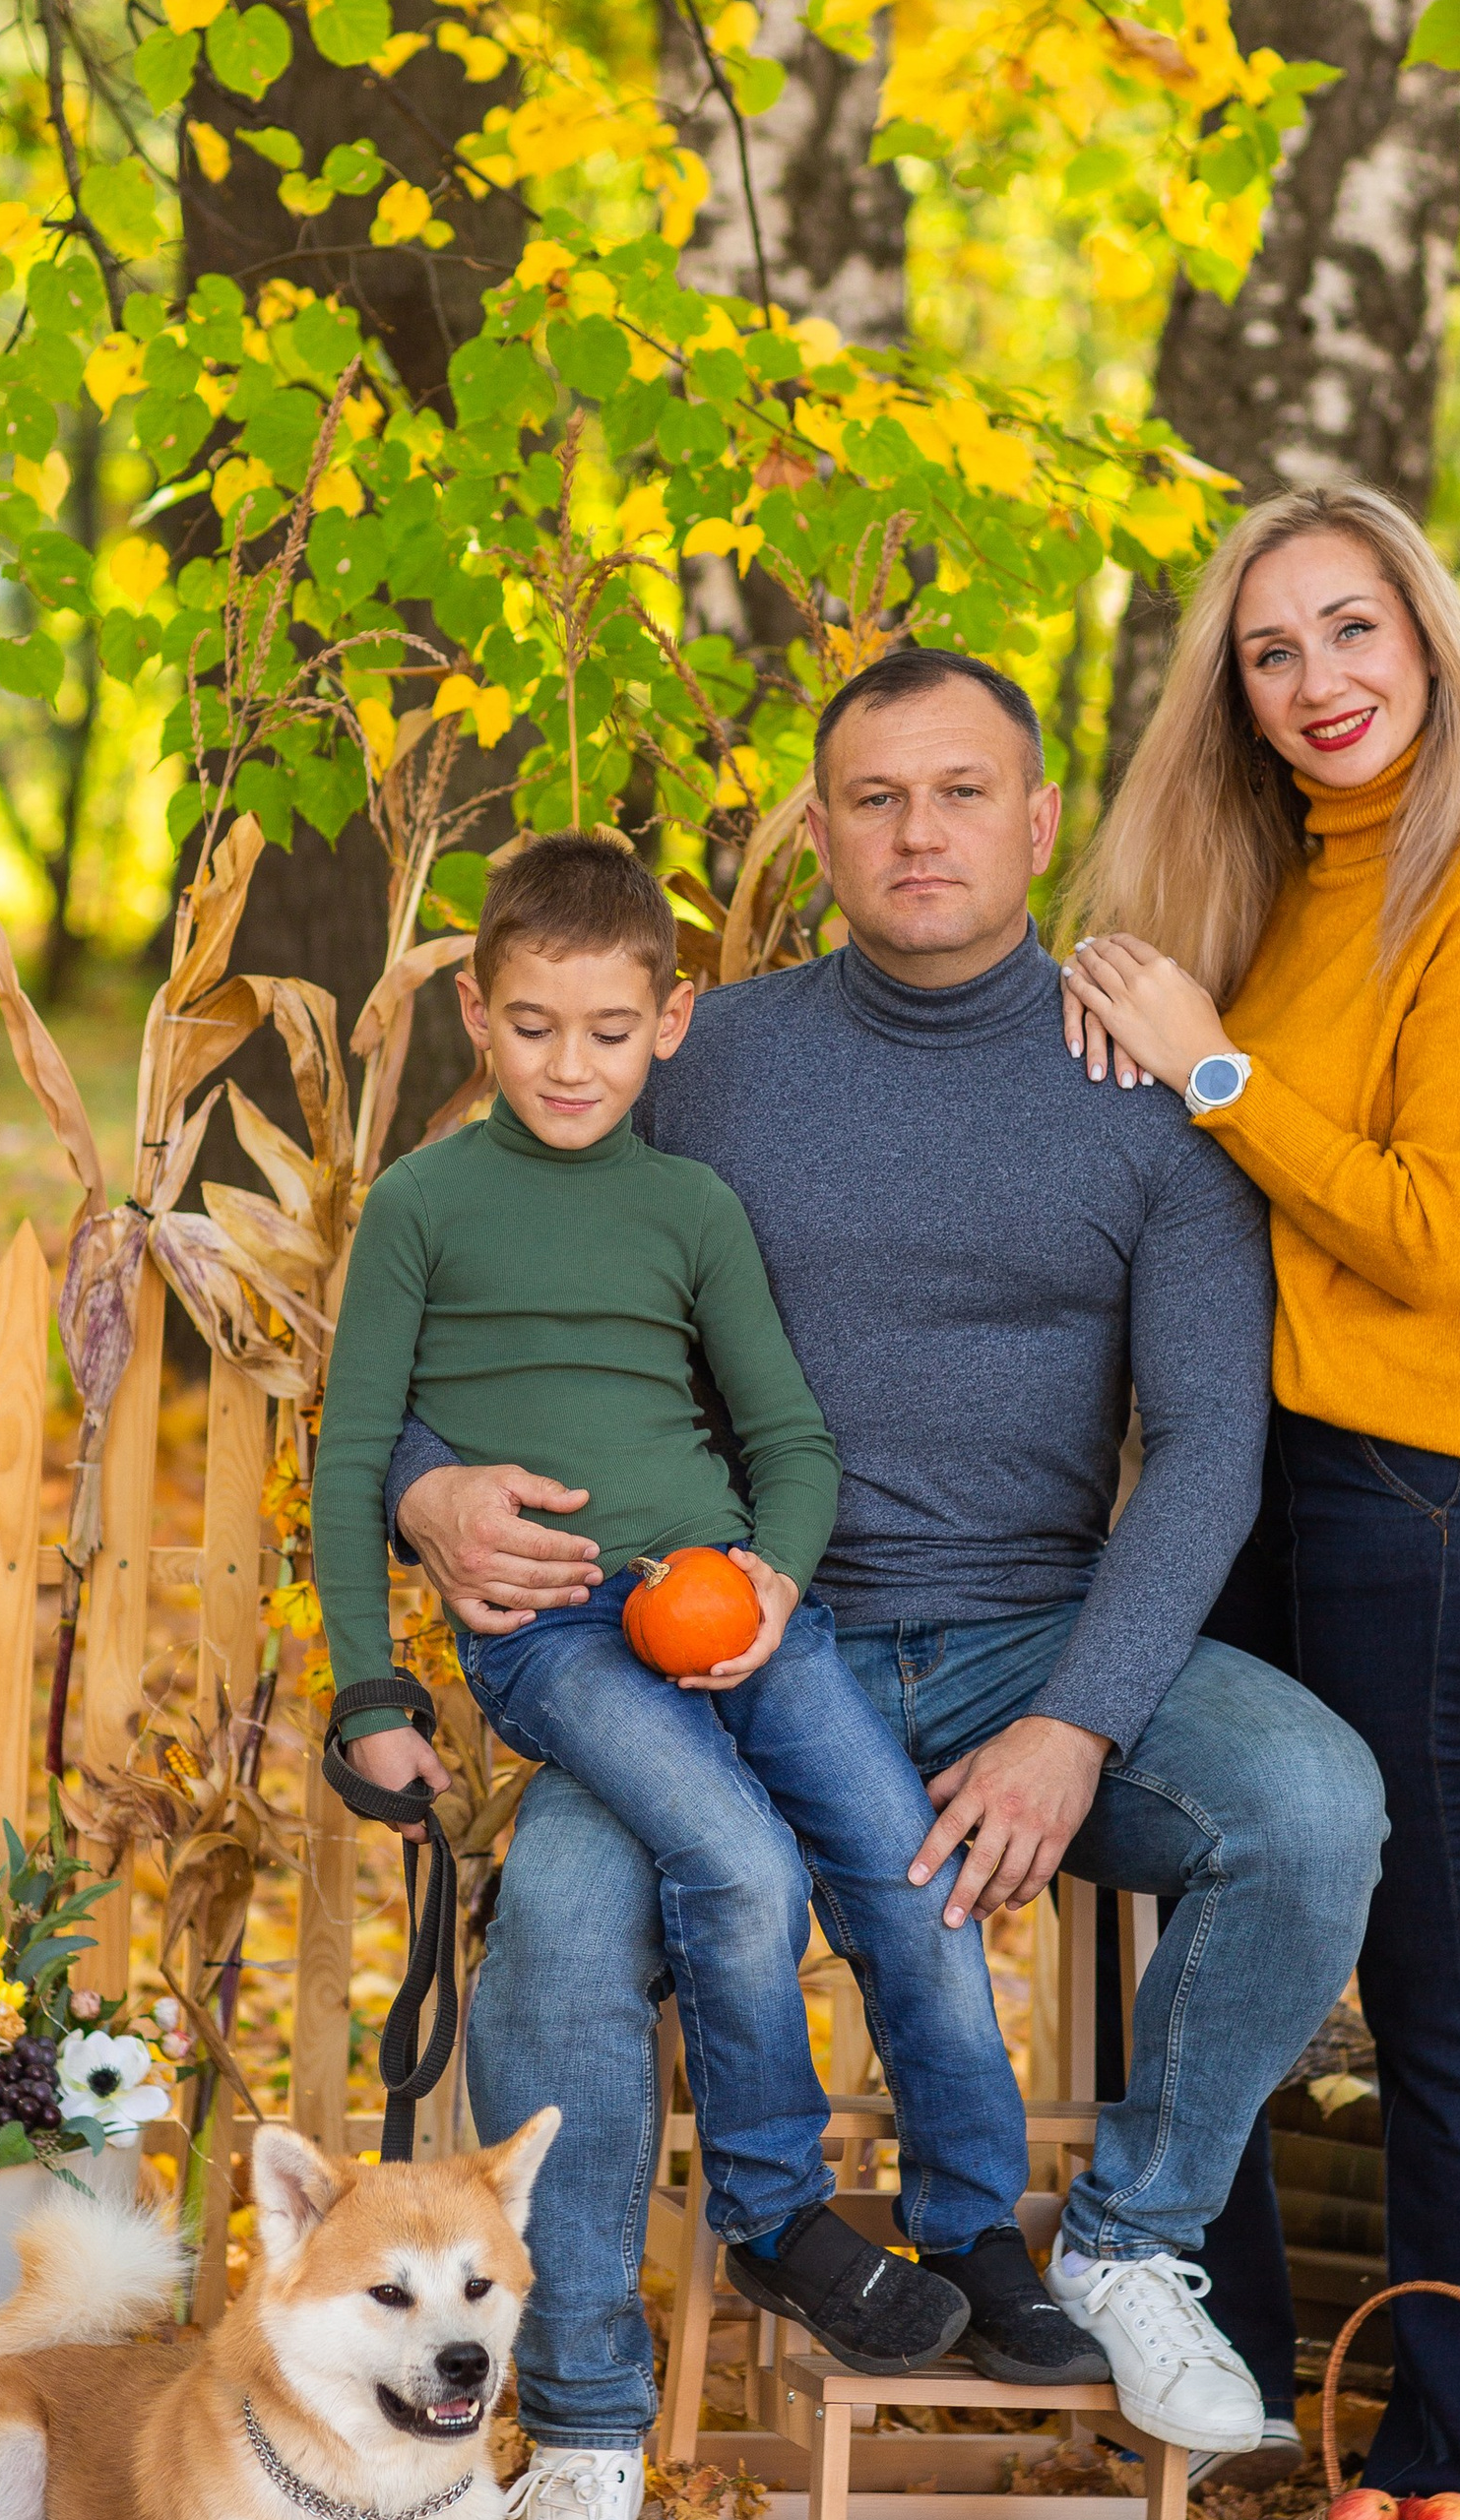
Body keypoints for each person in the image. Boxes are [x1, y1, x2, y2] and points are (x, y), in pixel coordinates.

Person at [386, 650, 1391, 2520]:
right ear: (823, 830)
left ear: (1034, 822)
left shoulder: (1137, 1083)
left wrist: (1078, 1726)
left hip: (1032, 1630)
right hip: (720, 1645)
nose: (917, 830)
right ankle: (585, 2432)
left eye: (958, 792)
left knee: (1317, 1805)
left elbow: (1207, 1449)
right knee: (563, 1909)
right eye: (872, 797)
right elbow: (465, 1277)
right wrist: (430, 1487)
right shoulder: (704, 1058)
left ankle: (1123, 2241)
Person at [315, 837, 1106, 2397]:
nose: (571, 1063)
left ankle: (974, 2228)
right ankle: (774, 2211)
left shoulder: (689, 1207)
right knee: (737, 1859)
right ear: (477, 1012)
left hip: (731, 1602)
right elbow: (350, 1460)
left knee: (914, 1877)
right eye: (535, 1024)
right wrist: (368, 1694)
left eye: (612, 1031)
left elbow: (791, 1443)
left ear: (669, 1027)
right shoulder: (422, 1206)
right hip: (554, 1634)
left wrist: (776, 1580)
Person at [1058, 481, 1460, 2509]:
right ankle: (1238, 2423)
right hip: (1266, 1475)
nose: (1314, 681)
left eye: (1350, 630)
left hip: (1448, 1491)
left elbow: (1432, 1231)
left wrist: (1212, 1069)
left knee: (1439, 1988)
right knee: (1215, 1915)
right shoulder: (1279, 885)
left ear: (1427, 640)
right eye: (1268, 649)